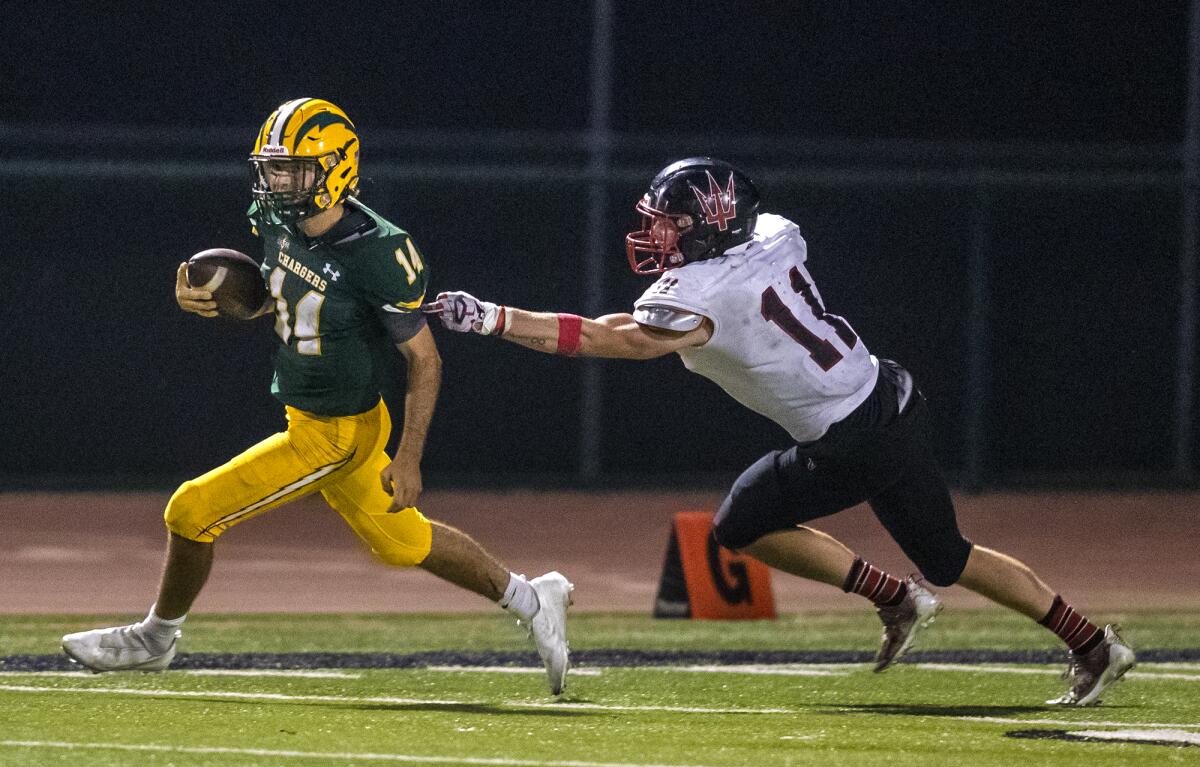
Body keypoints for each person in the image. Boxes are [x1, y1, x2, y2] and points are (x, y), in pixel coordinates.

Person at [425, 156, 1135, 706]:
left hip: (863, 433)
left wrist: (495, 318)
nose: (657, 233)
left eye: (671, 222)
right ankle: (898, 595)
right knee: (742, 522)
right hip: (866, 398)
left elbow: (625, 340)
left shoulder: (705, 293)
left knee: (945, 554)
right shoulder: (770, 233)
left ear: (708, 225)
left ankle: (1092, 644)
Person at [62, 98, 573, 695]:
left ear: (336, 170)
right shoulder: (276, 219)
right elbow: (279, 303)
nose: (277, 181)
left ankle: (156, 638)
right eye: (272, 168)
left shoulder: (381, 252)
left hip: (338, 431)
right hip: (311, 415)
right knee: (403, 543)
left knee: (191, 511)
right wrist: (221, 302)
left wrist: (409, 457)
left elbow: (425, 359)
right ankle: (533, 598)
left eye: (293, 170)